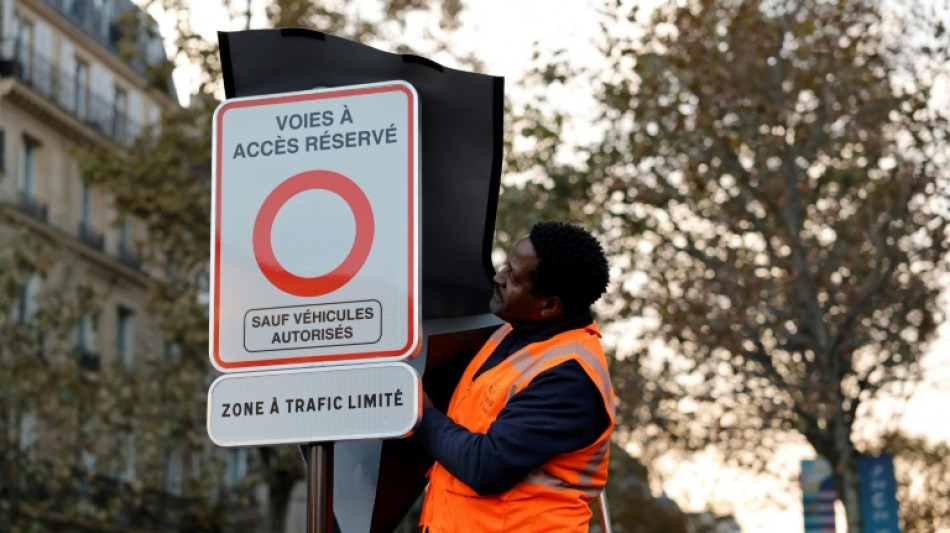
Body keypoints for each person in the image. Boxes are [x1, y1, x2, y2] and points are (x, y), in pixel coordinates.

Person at [413, 221, 616, 532]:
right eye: (506, 265)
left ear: (549, 305)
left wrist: (419, 413)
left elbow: (486, 466)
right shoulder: (513, 331)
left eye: (512, 276)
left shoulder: (569, 377)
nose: (499, 277)